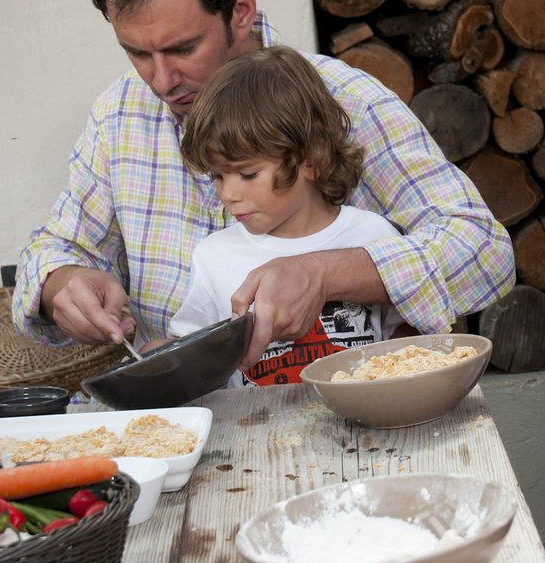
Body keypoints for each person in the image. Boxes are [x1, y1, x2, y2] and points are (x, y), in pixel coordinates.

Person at [11, 0, 514, 366]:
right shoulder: (119, 114)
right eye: (138, 54)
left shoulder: (343, 101)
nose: (161, 81)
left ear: (241, 10)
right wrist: (62, 284)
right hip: (192, 421)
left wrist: (323, 272)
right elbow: (54, 250)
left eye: (183, 48)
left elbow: (484, 252)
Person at [160, 45, 405, 386]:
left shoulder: (371, 238)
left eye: (247, 174)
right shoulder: (213, 257)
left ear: (311, 158)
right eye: (217, 175)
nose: (228, 194)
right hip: (253, 435)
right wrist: (160, 360)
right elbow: (190, 355)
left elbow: (409, 340)